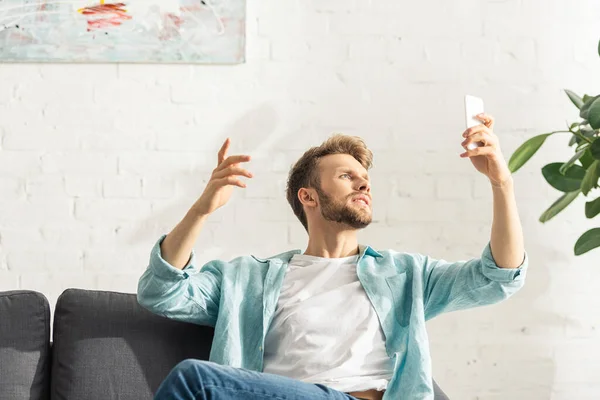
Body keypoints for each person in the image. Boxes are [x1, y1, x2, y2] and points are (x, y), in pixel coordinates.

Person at [137, 113, 528, 400]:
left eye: (365, 179)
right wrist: (201, 211)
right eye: (346, 176)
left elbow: (498, 278)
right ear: (308, 197)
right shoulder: (246, 278)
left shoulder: (405, 274)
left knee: (195, 380)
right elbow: (163, 291)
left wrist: (501, 181)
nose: (363, 182)